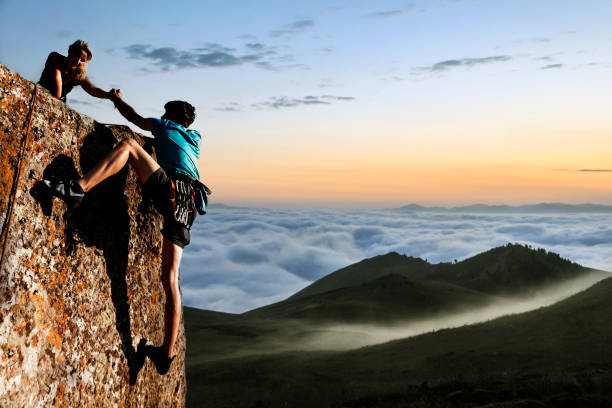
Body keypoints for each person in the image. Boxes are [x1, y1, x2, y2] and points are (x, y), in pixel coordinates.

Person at [43, 89, 205, 375]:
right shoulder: (194, 140)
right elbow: (169, 147)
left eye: (165, 113)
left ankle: (78, 188)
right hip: (189, 203)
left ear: (170, 115)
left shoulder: (166, 125)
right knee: (170, 279)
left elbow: (137, 120)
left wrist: (116, 99)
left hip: (170, 189)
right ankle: (166, 354)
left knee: (129, 146)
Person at [38, 40, 113, 102]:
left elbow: (92, 89)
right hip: (39, 94)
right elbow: (57, 87)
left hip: (58, 103)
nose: (77, 61)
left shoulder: (79, 75)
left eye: (82, 60)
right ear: (70, 51)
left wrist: (110, 95)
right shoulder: (55, 57)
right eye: (76, 55)